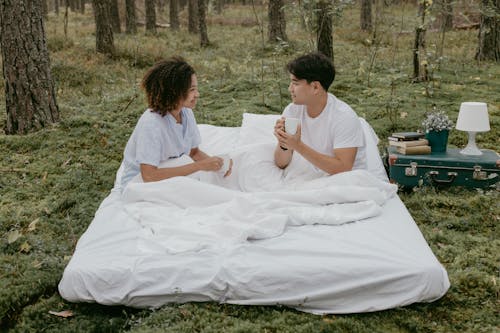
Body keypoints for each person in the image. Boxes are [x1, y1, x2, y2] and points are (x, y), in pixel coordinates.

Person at [120, 56, 231, 190]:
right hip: (140, 183)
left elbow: (194, 153)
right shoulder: (151, 123)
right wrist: (200, 166)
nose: (197, 94)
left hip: (167, 169)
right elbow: (148, 176)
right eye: (192, 90)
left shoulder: (186, 112)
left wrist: (218, 164)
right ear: (174, 92)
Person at [274, 52, 367, 175]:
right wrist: (284, 143)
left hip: (342, 180)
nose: (290, 89)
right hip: (309, 177)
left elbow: (343, 168)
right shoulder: (293, 110)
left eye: (295, 83)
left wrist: (298, 146)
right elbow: (281, 163)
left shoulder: (344, 117)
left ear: (315, 87)